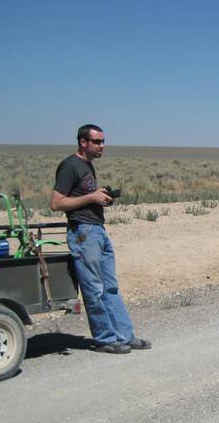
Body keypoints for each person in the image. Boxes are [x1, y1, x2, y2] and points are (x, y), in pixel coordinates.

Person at [51, 124, 152, 354]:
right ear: (82, 142)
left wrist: (99, 198)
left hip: (97, 231)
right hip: (83, 233)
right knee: (94, 289)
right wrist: (91, 197)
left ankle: (125, 336)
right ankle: (105, 338)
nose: (102, 146)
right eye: (97, 141)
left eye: (103, 141)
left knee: (110, 288)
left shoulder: (87, 166)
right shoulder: (70, 166)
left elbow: (84, 197)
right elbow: (56, 202)